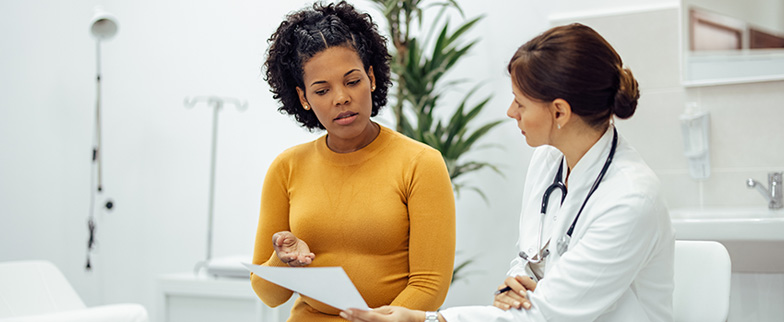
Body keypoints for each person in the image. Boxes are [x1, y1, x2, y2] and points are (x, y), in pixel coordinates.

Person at [340, 23, 674, 322]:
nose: (510, 111)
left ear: (559, 111)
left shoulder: (630, 200)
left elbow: (546, 314)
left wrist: (426, 320)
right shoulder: (547, 160)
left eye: (521, 103)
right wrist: (512, 287)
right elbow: (529, 258)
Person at [250, 2, 456, 321]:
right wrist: (284, 261)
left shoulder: (421, 163)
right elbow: (268, 293)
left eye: (352, 81)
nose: (341, 98)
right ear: (303, 98)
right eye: (321, 90)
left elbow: (430, 285)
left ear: (371, 78)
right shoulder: (286, 167)